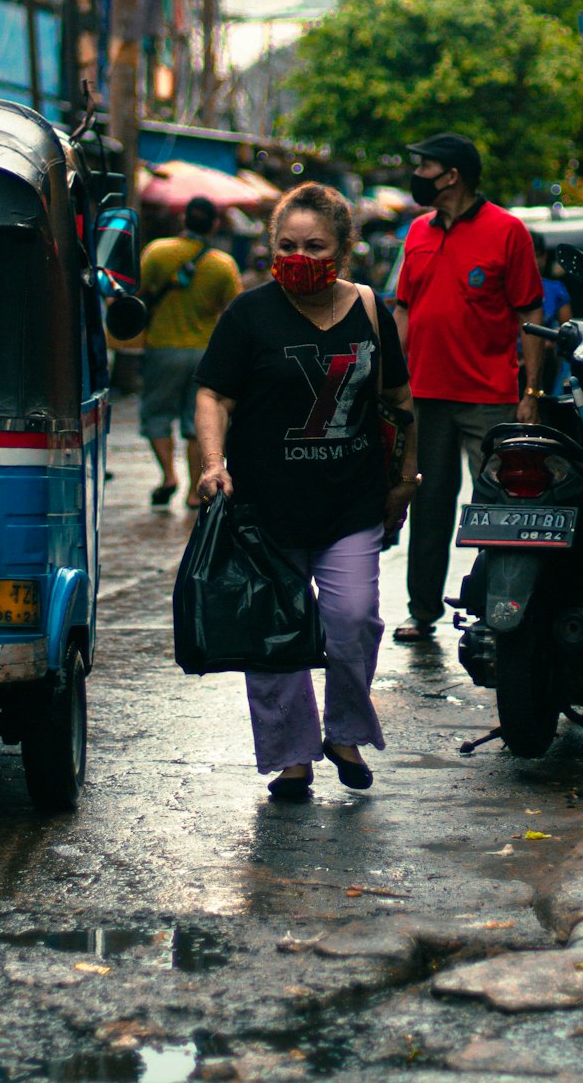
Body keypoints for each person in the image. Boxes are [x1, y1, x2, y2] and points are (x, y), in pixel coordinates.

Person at [195, 182, 417, 801]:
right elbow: (213, 393)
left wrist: (404, 482)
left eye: (315, 245)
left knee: (352, 620)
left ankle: (343, 731)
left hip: (350, 500)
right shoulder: (249, 314)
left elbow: (399, 403)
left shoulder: (369, 309)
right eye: (287, 244)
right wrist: (213, 463)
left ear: (343, 249)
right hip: (264, 507)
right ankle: (291, 757)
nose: (300, 255)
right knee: (275, 636)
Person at [391, 132, 545, 642]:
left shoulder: (508, 231)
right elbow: (405, 308)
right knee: (428, 502)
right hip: (426, 396)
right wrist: (395, 383)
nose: (417, 175)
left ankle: (499, 607)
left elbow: (530, 313)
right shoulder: (416, 231)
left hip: (488, 395)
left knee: (498, 506)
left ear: (451, 175)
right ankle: (422, 610)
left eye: (425, 166)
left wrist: (532, 393)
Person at [140, 196, 241, 511]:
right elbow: (233, 311)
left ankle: (169, 477)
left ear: (183, 219)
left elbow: (140, 294)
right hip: (205, 353)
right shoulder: (222, 264)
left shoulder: (157, 252)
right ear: (214, 225)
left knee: (157, 415)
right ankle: (195, 493)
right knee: (196, 420)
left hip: (162, 347)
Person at [527, 230, 573, 396]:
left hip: (546, 364)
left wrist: (550, 341)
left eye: (536, 256)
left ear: (544, 257)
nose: (532, 261)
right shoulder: (504, 290)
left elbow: (567, 330)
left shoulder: (555, 289)